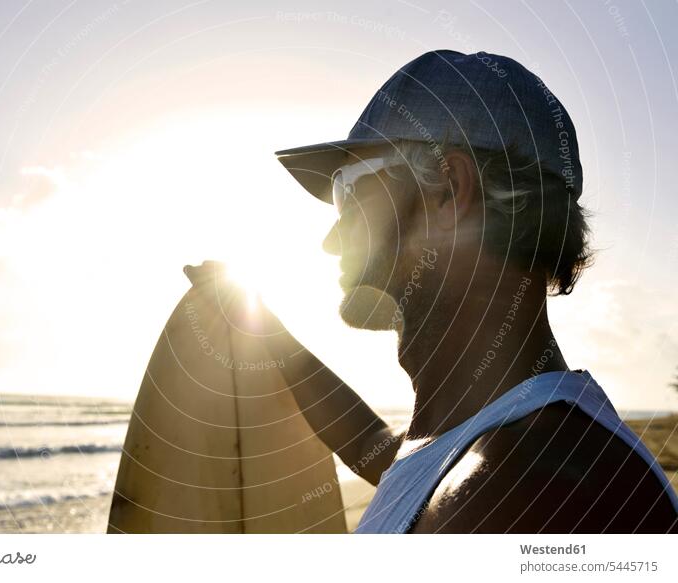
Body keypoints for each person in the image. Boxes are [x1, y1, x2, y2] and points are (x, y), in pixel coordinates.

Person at [185, 50, 678, 533]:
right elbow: (377, 446)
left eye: (349, 192)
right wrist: (265, 331)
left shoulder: (531, 493)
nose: (332, 239)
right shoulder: (481, 454)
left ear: (447, 191)